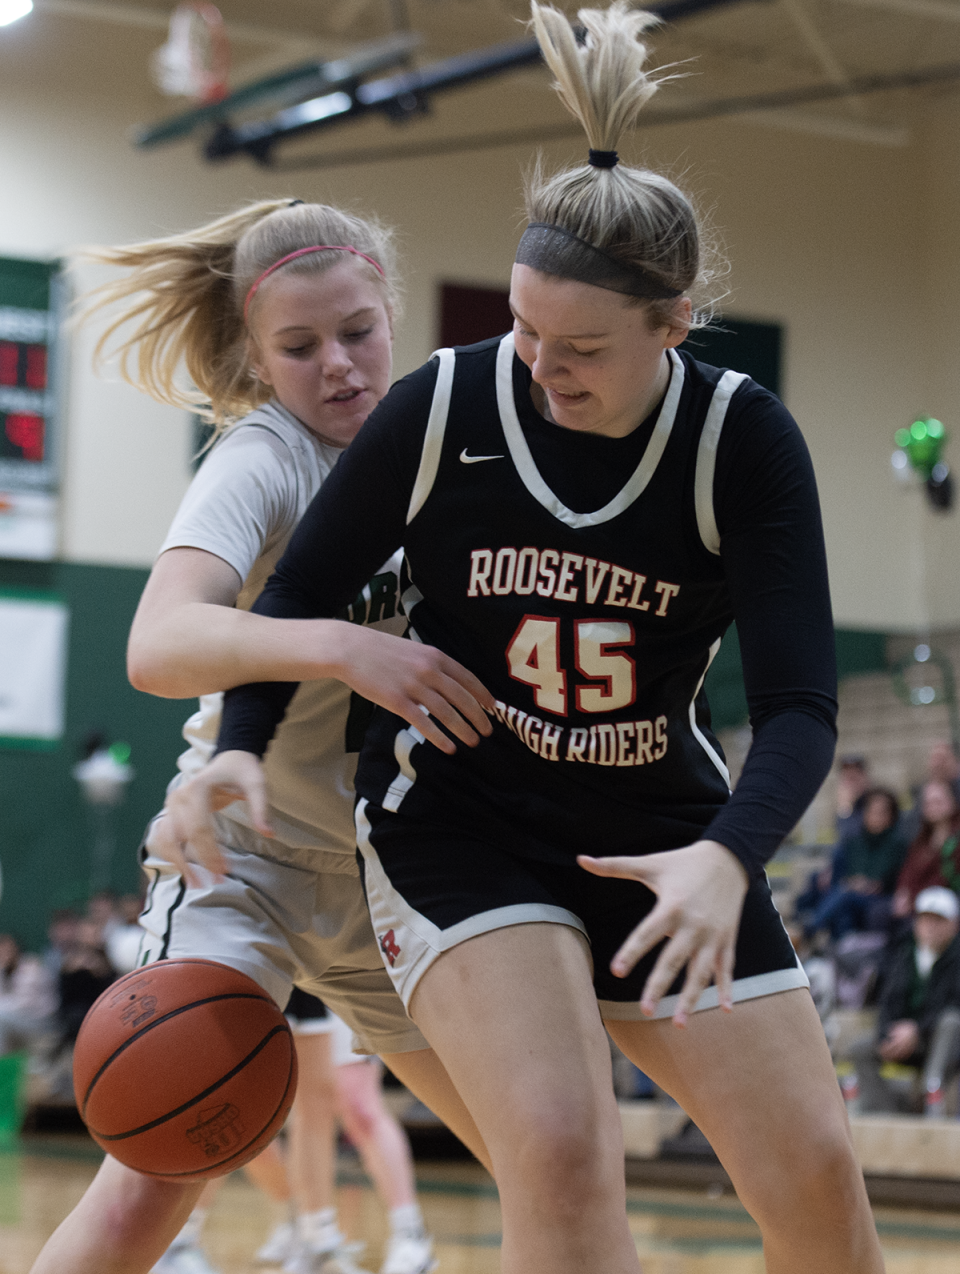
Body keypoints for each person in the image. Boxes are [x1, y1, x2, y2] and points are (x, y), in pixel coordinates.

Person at [183, 6, 885, 1270]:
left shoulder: (744, 441)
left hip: (664, 828)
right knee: (561, 1153)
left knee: (819, 1182)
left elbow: (801, 708)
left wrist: (731, 858)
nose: (540, 365)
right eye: (522, 326)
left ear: (673, 327)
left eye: (581, 349)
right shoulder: (442, 402)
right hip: (461, 821)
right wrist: (238, 740)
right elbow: (295, 602)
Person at [29, 198, 487, 1274]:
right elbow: (157, 642)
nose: (336, 364)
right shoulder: (263, 455)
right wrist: (338, 646)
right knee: (151, 1178)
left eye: (358, 331)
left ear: (393, 308)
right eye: (298, 345)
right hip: (246, 860)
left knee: (549, 1148)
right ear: (253, 352)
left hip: (393, 877)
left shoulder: (451, 444)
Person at [156, 993, 435, 1274]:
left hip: (326, 974)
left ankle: (400, 1235)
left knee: (354, 1101)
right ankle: (180, 1240)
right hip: (260, 967)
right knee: (234, 1105)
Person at [847, 886, 960, 1117]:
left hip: (941, 1040)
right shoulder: (904, 953)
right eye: (926, 918)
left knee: (951, 1021)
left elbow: (953, 1002)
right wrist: (886, 1035)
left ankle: (932, 1096)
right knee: (859, 1050)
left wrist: (918, 1030)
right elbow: (888, 1001)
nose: (930, 926)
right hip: (909, 1039)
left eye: (938, 920)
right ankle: (888, 1113)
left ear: (953, 925)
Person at [810, 787, 907, 939]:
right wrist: (854, 883)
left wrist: (867, 884)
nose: (876, 817)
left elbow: (887, 881)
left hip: (880, 898)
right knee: (842, 909)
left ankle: (810, 929)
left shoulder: (898, 844)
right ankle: (843, 953)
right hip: (851, 893)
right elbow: (844, 876)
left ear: (892, 816)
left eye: (882, 812)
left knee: (843, 895)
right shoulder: (854, 843)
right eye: (872, 811)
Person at [892, 779, 960, 919]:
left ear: (952, 802)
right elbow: (908, 870)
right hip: (917, 898)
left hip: (945, 899)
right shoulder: (922, 838)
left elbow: (946, 877)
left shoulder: (956, 837)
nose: (933, 807)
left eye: (938, 801)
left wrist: (914, 897)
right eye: (929, 803)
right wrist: (903, 893)